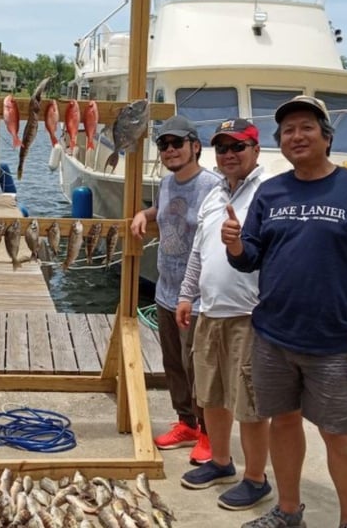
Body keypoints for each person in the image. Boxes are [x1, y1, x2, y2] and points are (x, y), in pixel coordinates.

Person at [222, 96, 347, 528]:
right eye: (287, 131)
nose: (296, 136)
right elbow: (252, 259)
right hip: (272, 336)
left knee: (340, 434)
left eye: (306, 127)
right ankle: (288, 511)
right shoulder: (271, 191)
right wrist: (236, 245)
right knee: (282, 422)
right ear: (279, 142)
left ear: (326, 136)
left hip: (334, 341)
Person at [176, 119, 271, 511]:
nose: (229, 154)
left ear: (256, 150)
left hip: (250, 314)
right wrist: (186, 294)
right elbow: (199, 251)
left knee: (248, 401)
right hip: (209, 310)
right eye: (223, 147)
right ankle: (220, 461)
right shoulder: (214, 193)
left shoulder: (270, 192)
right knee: (211, 392)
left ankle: (256, 478)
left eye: (238, 147)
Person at [130, 115, 221, 464]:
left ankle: (209, 432)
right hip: (165, 291)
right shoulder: (166, 183)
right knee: (173, 364)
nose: (170, 150)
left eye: (177, 143)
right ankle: (185, 422)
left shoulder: (213, 185)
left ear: (195, 146)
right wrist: (145, 213)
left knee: (200, 367)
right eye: (164, 145)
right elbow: (165, 210)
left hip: (198, 298)